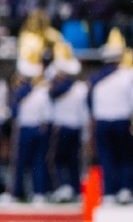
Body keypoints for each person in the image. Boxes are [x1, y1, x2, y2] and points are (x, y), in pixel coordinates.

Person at [89, 29, 133, 204]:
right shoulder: (128, 76)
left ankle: (109, 192)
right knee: (125, 157)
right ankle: (125, 189)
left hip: (102, 121)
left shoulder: (96, 79)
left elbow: (89, 101)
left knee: (106, 157)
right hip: (122, 120)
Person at [11, 47, 52, 201]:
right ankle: (38, 193)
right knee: (38, 162)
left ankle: (15, 193)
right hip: (39, 129)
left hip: (24, 129)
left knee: (19, 163)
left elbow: (13, 112)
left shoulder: (20, 93)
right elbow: (47, 115)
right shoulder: (42, 92)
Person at [47, 46, 87, 202]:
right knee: (73, 161)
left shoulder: (55, 88)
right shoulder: (80, 88)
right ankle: (76, 190)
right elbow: (83, 113)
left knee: (55, 159)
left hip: (61, 127)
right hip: (76, 127)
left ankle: (62, 187)